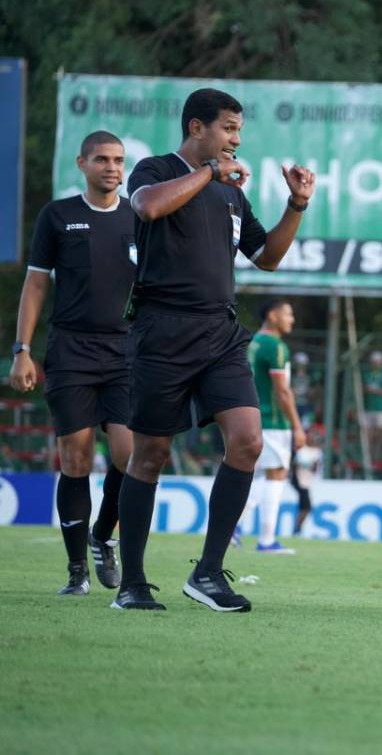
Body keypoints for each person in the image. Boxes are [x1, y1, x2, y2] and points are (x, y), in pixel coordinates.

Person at [112, 87, 315, 611]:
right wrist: (209, 173)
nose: (235, 140)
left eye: (238, 132)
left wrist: (297, 204)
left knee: (247, 441)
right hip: (161, 332)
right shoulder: (156, 170)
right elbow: (148, 207)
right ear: (197, 127)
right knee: (151, 456)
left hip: (220, 334)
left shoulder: (231, 193)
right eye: (228, 129)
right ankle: (132, 583)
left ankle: (207, 574)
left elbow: (266, 257)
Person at [8, 130, 135, 596]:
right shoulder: (58, 216)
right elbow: (36, 285)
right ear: (82, 163)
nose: (112, 167)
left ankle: (103, 535)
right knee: (75, 459)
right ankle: (77, 570)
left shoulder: (140, 216)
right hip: (72, 353)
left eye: (119, 160)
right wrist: (22, 350)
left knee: (131, 454)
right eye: (102, 159)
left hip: (126, 353)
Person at [240, 298, 305, 554]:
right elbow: (283, 391)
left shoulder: (255, 342)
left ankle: (236, 527)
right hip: (274, 421)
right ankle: (266, 539)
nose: (292, 319)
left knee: (260, 475)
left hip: (254, 417)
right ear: (272, 315)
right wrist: (297, 426)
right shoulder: (274, 345)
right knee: (275, 473)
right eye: (288, 314)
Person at [363, 351, 382, 461]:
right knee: (368, 438)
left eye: (378, 362)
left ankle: (378, 462)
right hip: (367, 409)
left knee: (378, 438)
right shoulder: (365, 374)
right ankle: (368, 461)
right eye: (374, 362)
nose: (376, 364)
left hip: (381, 410)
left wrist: (375, 390)